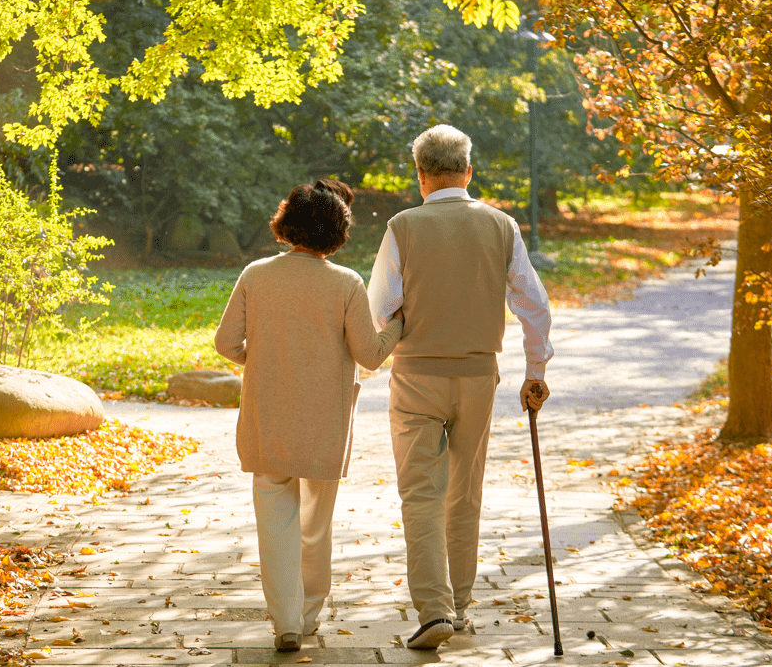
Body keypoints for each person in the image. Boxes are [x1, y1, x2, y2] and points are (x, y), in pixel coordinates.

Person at [367, 125, 553, 651]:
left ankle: (435, 610)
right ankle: (463, 606)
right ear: (468, 172)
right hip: (477, 379)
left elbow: (379, 308)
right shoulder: (501, 226)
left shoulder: (403, 227)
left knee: (420, 494)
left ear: (420, 176)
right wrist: (534, 371)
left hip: (416, 376)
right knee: (464, 493)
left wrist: (361, 368)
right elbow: (533, 305)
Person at [214, 179, 404, 654]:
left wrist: (259, 359)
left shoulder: (256, 274)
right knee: (316, 523)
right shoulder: (345, 283)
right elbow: (369, 353)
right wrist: (399, 323)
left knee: (274, 520)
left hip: (268, 416)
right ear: (337, 232)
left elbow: (225, 343)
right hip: (324, 421)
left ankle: (286, 623)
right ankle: (311, 613)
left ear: (287, 223)